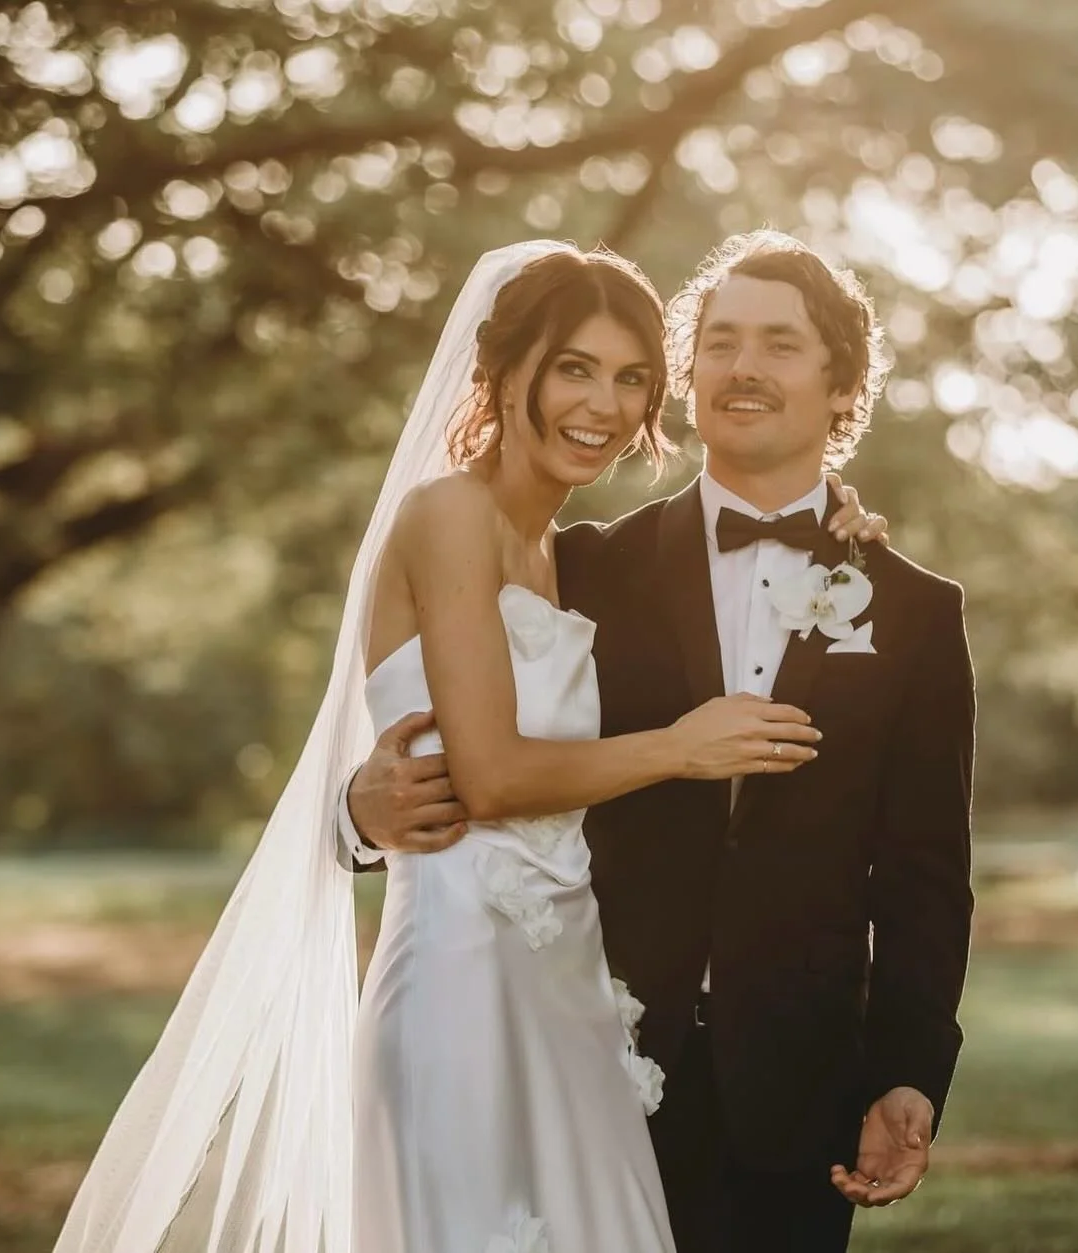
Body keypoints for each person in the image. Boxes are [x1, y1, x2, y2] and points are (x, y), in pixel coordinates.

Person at [50, 239, 883, 1253]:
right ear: (500, 368)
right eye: (572, 367)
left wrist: (831, 526)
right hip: (457, 987)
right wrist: (677, 746)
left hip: (569, 994)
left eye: (630, 378)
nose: (603, 405)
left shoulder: (568, 557)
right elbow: (484, 775)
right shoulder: (444, 514)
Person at [344, 230, 976, 1253]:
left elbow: (924, 873)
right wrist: (358, 815)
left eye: (778, 343)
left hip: (795, 1082)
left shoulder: (912, 612)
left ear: (841, 384)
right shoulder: (576, 566)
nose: (741, 366)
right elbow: (442, 726)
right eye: (718, 342)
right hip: (587, 1042)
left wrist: (904, 1069)